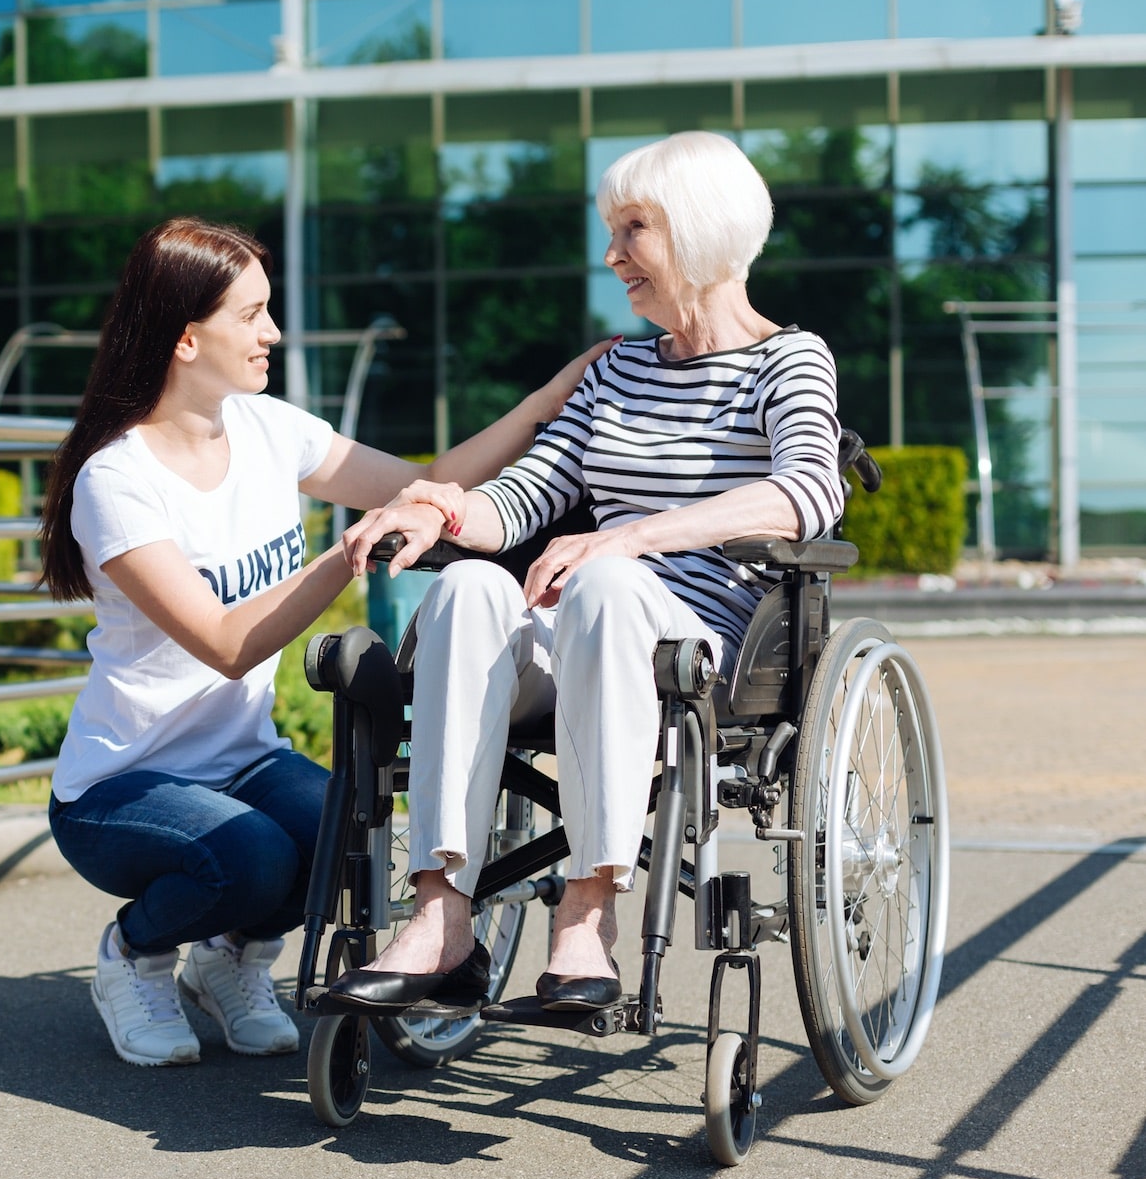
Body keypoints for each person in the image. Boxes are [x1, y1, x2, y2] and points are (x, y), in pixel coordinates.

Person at [40, 217, 612, 1067]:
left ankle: (230, 962)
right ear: (187, 337)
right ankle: (135, 956)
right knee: (250, 861)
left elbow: (431, 484)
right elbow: (226, 643)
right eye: (253, 315)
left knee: (348, 837)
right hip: (123, 783)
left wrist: (548, 402)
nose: (272, 333)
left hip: (241, 759)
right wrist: (344, 559)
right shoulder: (117, 480)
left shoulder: (270, 430)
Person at [324, 131, 844, 1016]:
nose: (612, 257)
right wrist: (437, 508)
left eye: (633, 229)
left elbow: (808, 490)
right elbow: (526, 496)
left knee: (603, 583)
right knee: (468, 585)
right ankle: (442, 914)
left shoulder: (786, 360)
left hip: (698, 651)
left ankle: (587, 911)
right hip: (578, 636)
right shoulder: (616, 371)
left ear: (703, 231)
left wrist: (630, 540)